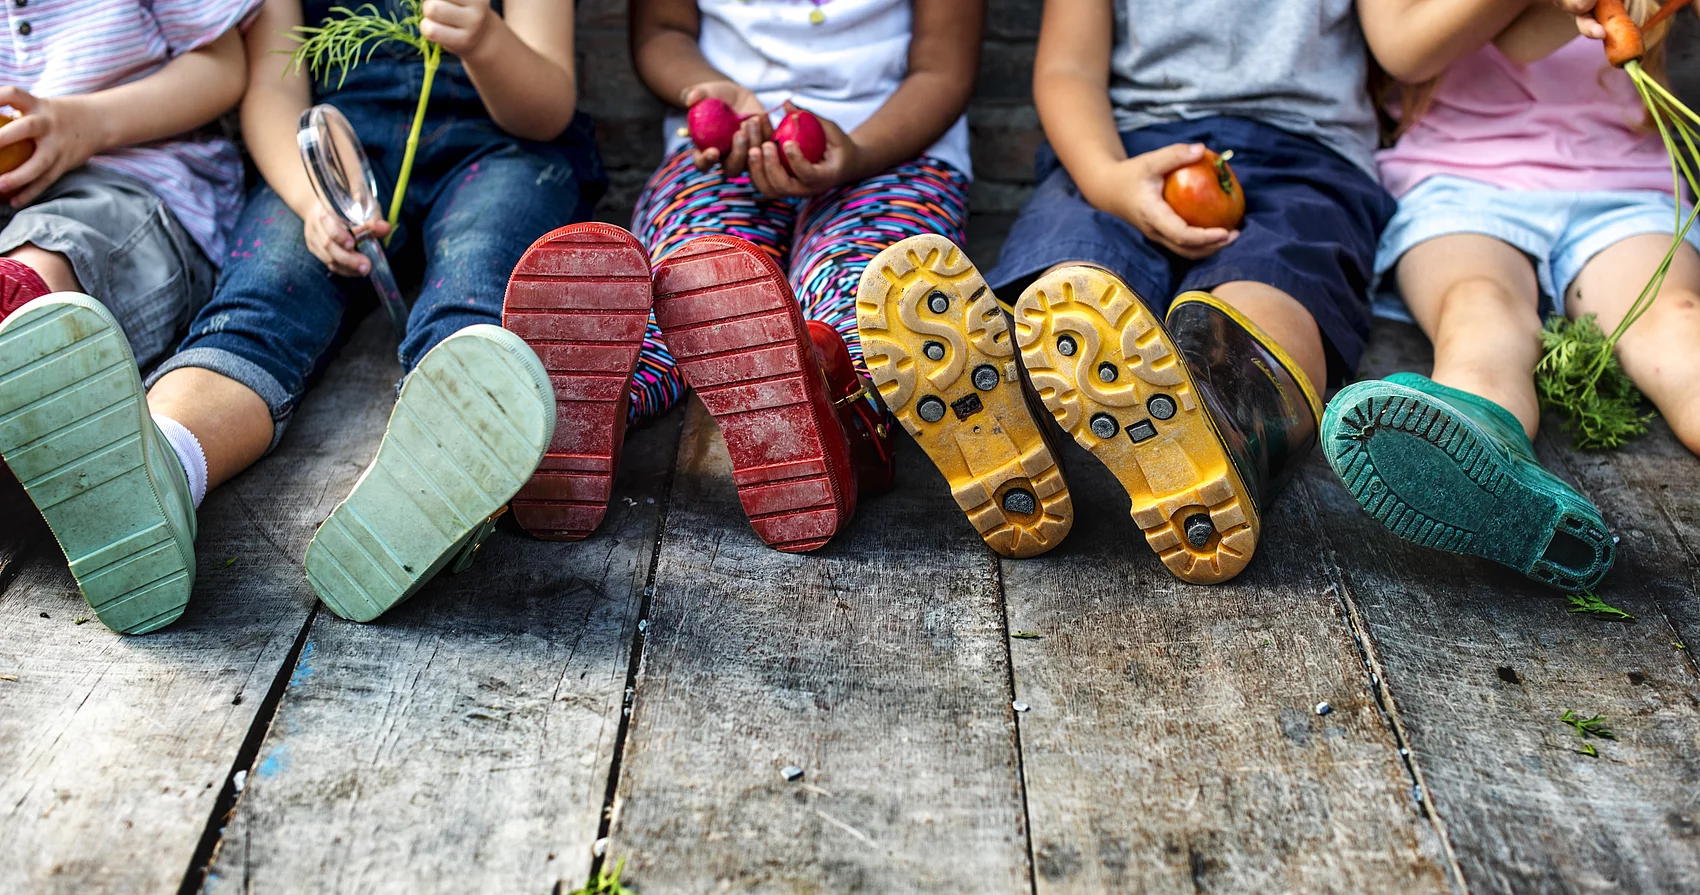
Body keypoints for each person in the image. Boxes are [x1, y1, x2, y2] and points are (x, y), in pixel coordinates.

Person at [0, 0, 602, 633]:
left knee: (476, 281)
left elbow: (546, 109)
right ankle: (161, 470)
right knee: (260, 303)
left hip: (501, 151)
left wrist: (483, 39)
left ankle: (442, 471)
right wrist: (310, 199)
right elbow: (272, 92)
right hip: (328, 161)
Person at [896, 0, 1395, 584]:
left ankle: (1221, 420)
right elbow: (1067, 71)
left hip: (1305, 160)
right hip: (1118, 147)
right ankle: (1012, 404)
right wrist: (1106, 179)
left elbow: (1402, 45)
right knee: (1072, 286)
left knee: (1269, 288)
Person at [494, 0, 1010, 556]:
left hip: (892, 152)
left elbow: (942, 70)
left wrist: (860, 153)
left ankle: (838, 413)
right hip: (720, 155)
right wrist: (710, 91)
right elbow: (662, 32)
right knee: (690, 285)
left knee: (862, 293)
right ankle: (577, 416)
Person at [1327, 0, 1699, 591]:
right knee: (1478, 310)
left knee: (1676, 323)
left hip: (1623, 180)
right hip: (1459, 179)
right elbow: (1402, 49)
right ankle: (1487, 478)